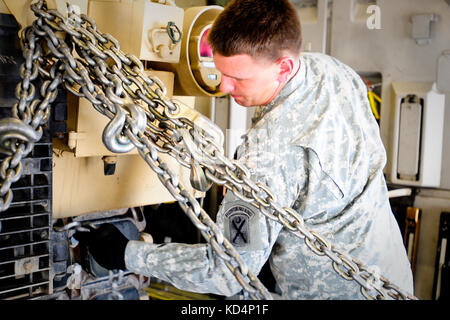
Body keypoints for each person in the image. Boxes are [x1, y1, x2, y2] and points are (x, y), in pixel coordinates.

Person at [75, 0, 414, 299]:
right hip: (391, 280)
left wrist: (127, 254)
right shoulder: (333, 71)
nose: (224, 87)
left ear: (282, 67)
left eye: (238, 78)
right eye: (221, 72)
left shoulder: (267, 159)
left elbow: (226, 271)